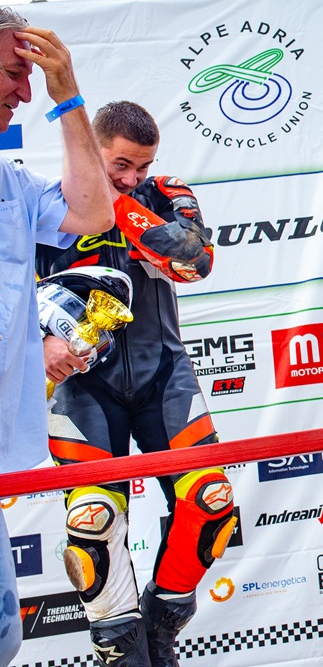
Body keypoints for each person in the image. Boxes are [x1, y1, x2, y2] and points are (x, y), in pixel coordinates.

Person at [37, 101, 235, 667]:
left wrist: (114, 199)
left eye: (141, 165)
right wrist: (41, 341)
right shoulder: (45, 203)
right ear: (92, 147)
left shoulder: (166, 193)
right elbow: (13, 295)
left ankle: (162, 626)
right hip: (83, 388)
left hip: (164, 376)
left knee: (212, 501)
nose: (133, 176)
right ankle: (122, 652)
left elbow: (194, 261)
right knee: (93, 520)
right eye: (120, 164)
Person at [1, 7, 114, 666]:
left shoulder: (11, 184)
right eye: (12, 74)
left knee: (4, 635)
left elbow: (93, 212)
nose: (24, 91)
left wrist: (67, 95)